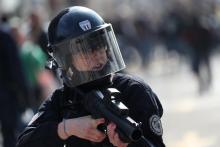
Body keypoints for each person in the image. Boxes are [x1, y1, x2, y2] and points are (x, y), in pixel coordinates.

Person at [16, 6, 165, 147]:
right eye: (85, 50)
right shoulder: (62, 99)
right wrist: (65, 129)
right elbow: (24, 142)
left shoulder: (133, 90)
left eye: (100, 46)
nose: (96, 55)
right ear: (66, 58)